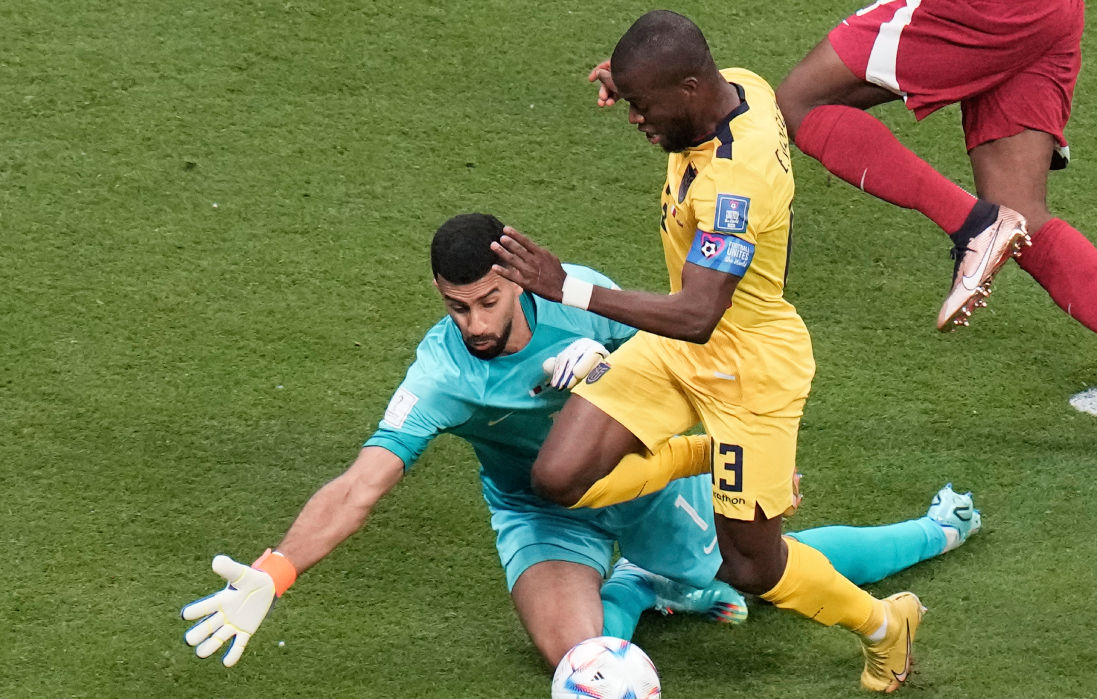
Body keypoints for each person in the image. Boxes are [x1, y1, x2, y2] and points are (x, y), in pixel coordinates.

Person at [180, 213, 983, 672]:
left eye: (490, 301)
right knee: (576, 661)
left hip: (647, 478)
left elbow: (697, 361)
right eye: (458, 308)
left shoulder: (579, 295)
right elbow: (362, 483)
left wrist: (624, 371)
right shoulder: (441, 374)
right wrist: (275, 571)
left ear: (517, 280)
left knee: (760, 568)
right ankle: (642, 588)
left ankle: (934, 529)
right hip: (541, 513)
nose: (478, 325)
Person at [490, 11, 928, 693]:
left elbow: (698, 314)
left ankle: (883, 625)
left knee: (750, 568)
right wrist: (637, 84)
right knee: (555, 478)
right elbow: (687, 320)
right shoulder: (738, 88)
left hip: (748, 368)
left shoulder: (737, 184)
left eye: (644, 105)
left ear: (691, 88)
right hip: (675, 348)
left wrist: (566, 288)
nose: (637, 118)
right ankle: (707, 456)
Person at [770, 0, 1097, 432]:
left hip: (987, 4)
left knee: (800, 102)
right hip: (1049, 9)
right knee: (1021, 213)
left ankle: (977, 227)